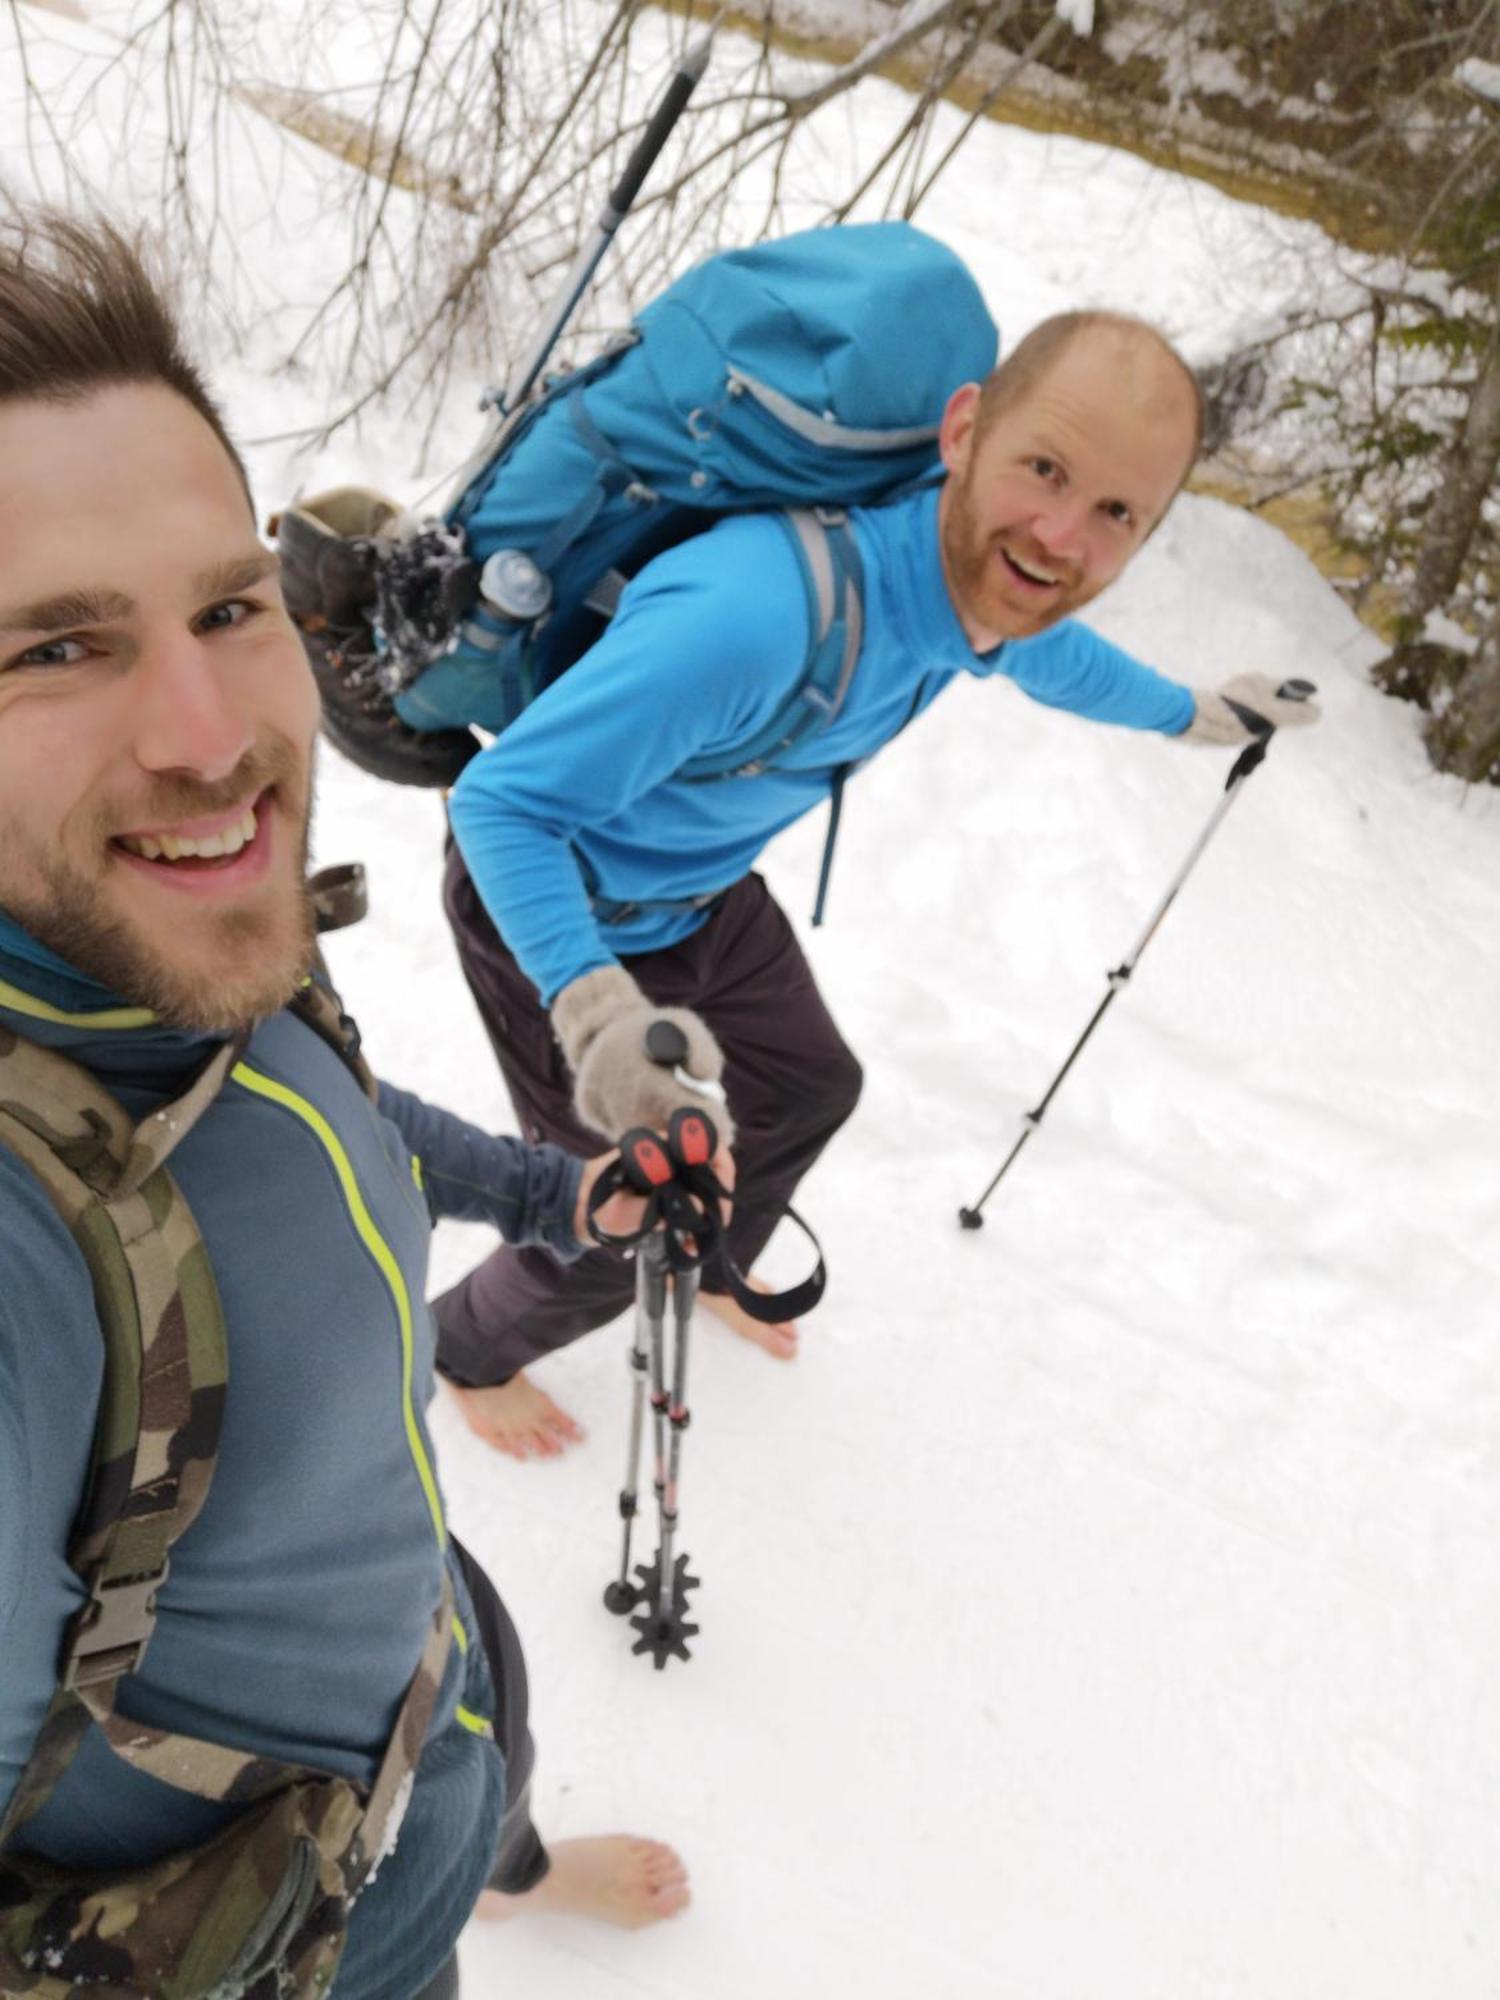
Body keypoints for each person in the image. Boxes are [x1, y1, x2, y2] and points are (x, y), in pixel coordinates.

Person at [0, 211, 689, 2000]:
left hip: (416, 1662)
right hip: (301, 1915)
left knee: (483, 1764)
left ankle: (507, 1865)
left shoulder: (165, 944)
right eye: (53, 651)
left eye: (228, 608)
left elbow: (329, 1128)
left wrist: (552, 1198)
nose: (209, 728)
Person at [425, 306, 1321, 1461]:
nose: (1060, 537)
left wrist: (1200, 712)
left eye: (1116, 514)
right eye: (1044, 468)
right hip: (555, 908)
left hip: (699, 894)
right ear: (965, 431)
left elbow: (1058, 657)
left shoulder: (970, 593)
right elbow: (503, 807)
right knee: (624, 1203)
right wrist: (599, 1012)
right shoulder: (754, 615)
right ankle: (466, 1345)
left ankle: (710, 1262)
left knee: (809, 1084)